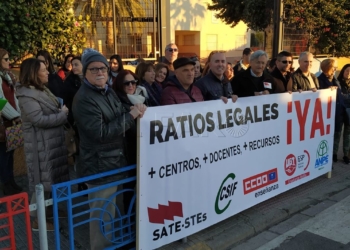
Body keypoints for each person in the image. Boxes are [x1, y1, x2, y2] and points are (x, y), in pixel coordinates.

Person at [72, 48, 146, 250]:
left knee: (115, 209)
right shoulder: (84, 98)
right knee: (102, 216)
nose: (100, 72)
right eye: (94, 69)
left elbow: (121, 111)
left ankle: (118, 245)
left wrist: (136, 110)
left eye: (103, 68)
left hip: (115, 162)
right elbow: (101, 133)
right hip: (99, 167)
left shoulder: (107, 90)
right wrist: (130, 116)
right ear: (85, 72)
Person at [16, 58, 70, 230]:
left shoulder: (41, 89)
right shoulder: (26, 94)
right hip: (40, 145)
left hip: (51, 142)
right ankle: (36, 219)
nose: (48, 72)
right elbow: (38, 119)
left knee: (50, 180)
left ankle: (47, 211)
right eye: (44, 70)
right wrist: (62, 115)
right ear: (34, 73)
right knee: (42, 183)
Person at [112, 69, 146, 215]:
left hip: (139, 151)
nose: (131, 85)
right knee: (128, 190)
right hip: (127, 153)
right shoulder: (118, 102)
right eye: (127, 83)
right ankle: (128, 224)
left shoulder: (139, 99)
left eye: (134, 82)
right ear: (120, 85)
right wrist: (134, 116)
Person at [0, 48, 22, 196]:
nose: (9, 62)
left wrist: (19, 114)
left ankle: (11, 180)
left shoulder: (8, 76)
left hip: (13, 121)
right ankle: (5, 184)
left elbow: (15, 97)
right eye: (6, 59)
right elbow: (0, 101)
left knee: (10, 153)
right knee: (3, 155)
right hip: (4, 122)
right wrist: (15, 115)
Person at [318, 59, 348, 163]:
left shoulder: (334, 78)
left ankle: (335, 154)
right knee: (331, 136)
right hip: (327, 115)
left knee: (338, 133)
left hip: (339, 112)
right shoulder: (320, 80)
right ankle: (330, 155)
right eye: (334, 67)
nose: (335, 69)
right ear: (327, 67)